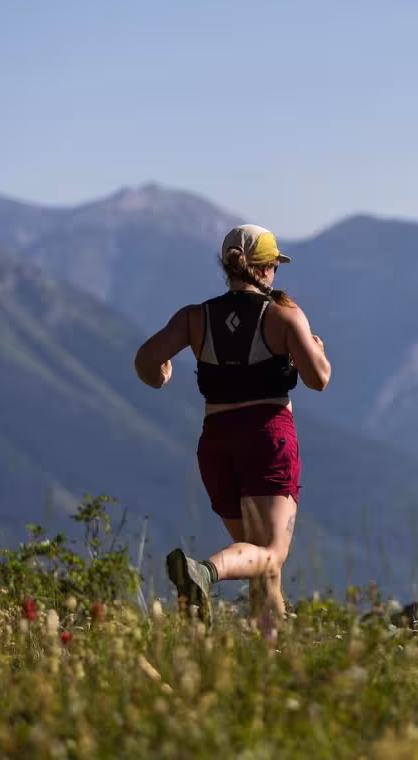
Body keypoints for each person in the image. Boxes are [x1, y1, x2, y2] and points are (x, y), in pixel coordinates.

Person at [134, 224, 330, 629]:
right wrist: (316, 350)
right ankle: (204, 573)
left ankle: (268, 660)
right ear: (266, 268)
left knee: (258, 560)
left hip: (217, 443)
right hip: (266, 436)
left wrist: (164, 375)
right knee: (272, 553)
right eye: (275, 265)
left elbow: (146, 361)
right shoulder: (283, 315)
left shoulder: (194, 319)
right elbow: (319, 380)